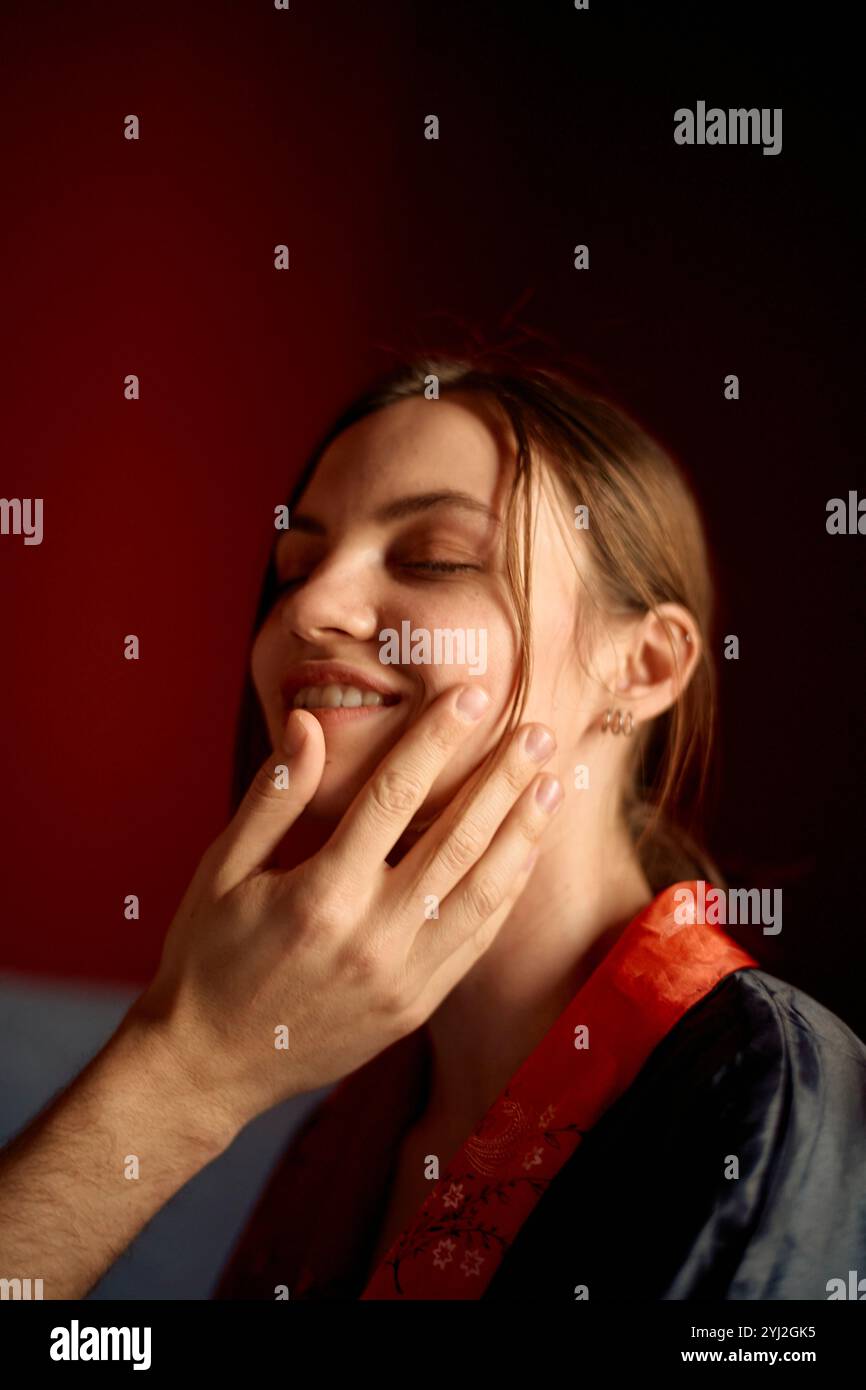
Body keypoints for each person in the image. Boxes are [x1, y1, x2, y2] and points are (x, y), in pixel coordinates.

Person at [1, 352, 864, 1302]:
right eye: (294, 568)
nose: (310, 610)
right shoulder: (352, 1118)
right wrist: (185, 1058)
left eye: (433, 560)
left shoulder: (766, 1088)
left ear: (646, 666)